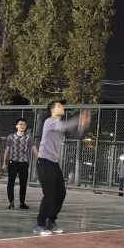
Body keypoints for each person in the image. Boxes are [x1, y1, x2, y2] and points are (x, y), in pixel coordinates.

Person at [33, 101, 90, 236]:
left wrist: (82, 126)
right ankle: (39, 225)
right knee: (49, 194)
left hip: (53, 163)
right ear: (52, 110)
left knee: (61, 193)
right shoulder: (50, 121)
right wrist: (79, 119)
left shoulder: (60, 124)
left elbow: (76, 135)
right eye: (59, 106)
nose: (62, 107)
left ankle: (51, 221)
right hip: (44, 162)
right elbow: (65, 125)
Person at [2, 118, 37, 210]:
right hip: (12, 162)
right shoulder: (10, 137)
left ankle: (22, 203)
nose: (22, 126)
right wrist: (4, 163)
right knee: (11, 183)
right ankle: (11, 202)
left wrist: (39, 159)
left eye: (24, 124)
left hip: (24, 163)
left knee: (23, 184)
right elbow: (7, 150)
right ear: (16, 126)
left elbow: (34, 149)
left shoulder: (29, 137)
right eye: (20, 124)